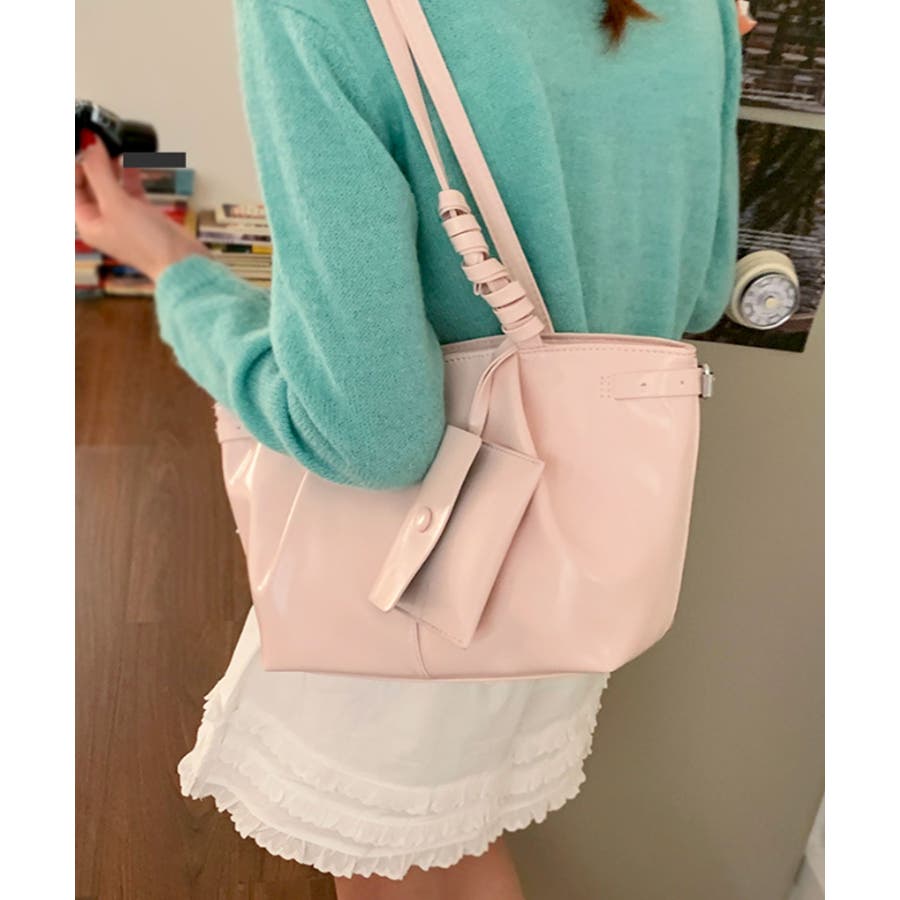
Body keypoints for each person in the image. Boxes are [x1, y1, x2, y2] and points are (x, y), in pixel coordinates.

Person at [75, 0, 742, 895]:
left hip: (412, 571)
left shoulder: (316, 13)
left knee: (411, 874)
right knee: (456, 861)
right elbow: (699, 292)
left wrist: (170, 265)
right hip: (579, 548)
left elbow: (371, 437)